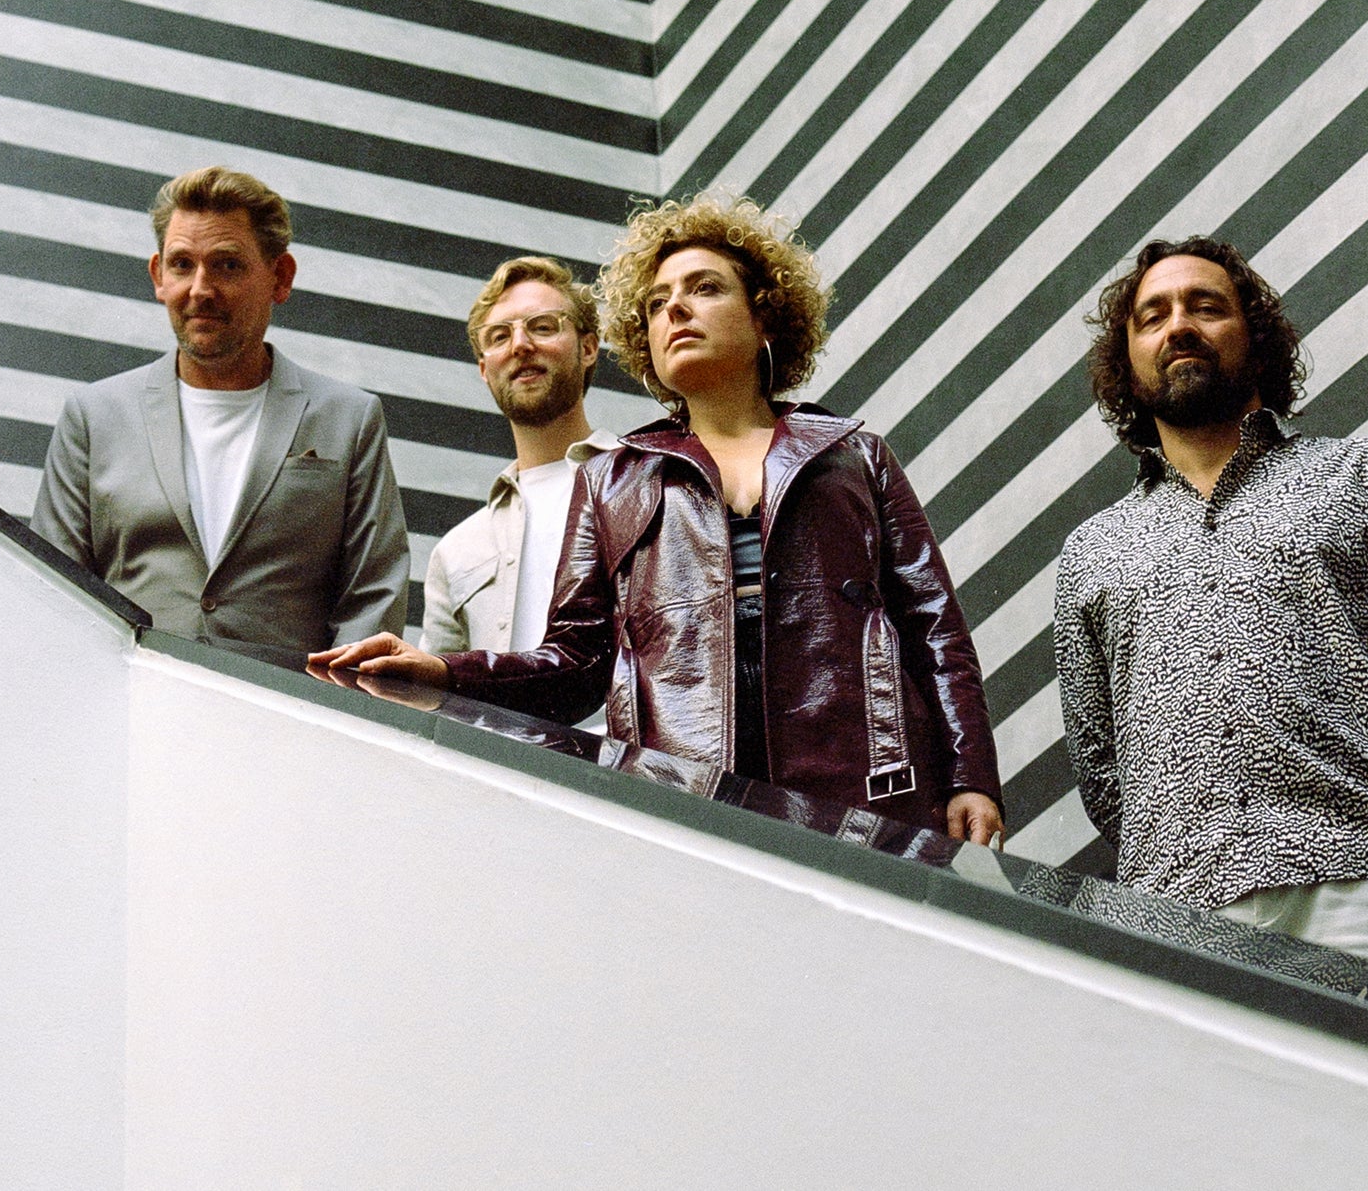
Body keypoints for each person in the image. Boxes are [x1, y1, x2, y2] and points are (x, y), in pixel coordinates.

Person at [316, 191, 1004, 843]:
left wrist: (971, 776)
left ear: (764, 316)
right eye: (656, 302)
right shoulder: (613, 479)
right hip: (685, 799)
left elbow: (935, 628)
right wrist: (445, 671)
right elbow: (576, 660)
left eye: (704, 288)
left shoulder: (855, 455)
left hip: (868, 794)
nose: (676, 308)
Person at [1055, 236, 1368, 980]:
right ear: (1127, 365)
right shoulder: (1091, 551)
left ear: (1256, 339)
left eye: (1205, 306)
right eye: (1153, 316)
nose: (1179, 326)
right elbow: (1102, 770)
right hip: (1173, 920)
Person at [31, 167, 408, 655]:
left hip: (284, 701)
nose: (200, 289)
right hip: (127, 696)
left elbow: (373, 599)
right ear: (158, 276)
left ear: (280, 277)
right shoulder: (93, 417)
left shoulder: (349, 419)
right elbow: (53, 589)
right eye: (182, 265)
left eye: (227, 265)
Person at [420, 257, 618, 652]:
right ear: (484, 369)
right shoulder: (456, 552)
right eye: (498, 336)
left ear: (588, 348)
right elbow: (431, 687)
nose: (520, 345)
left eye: (543, 326)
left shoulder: (649, 483)